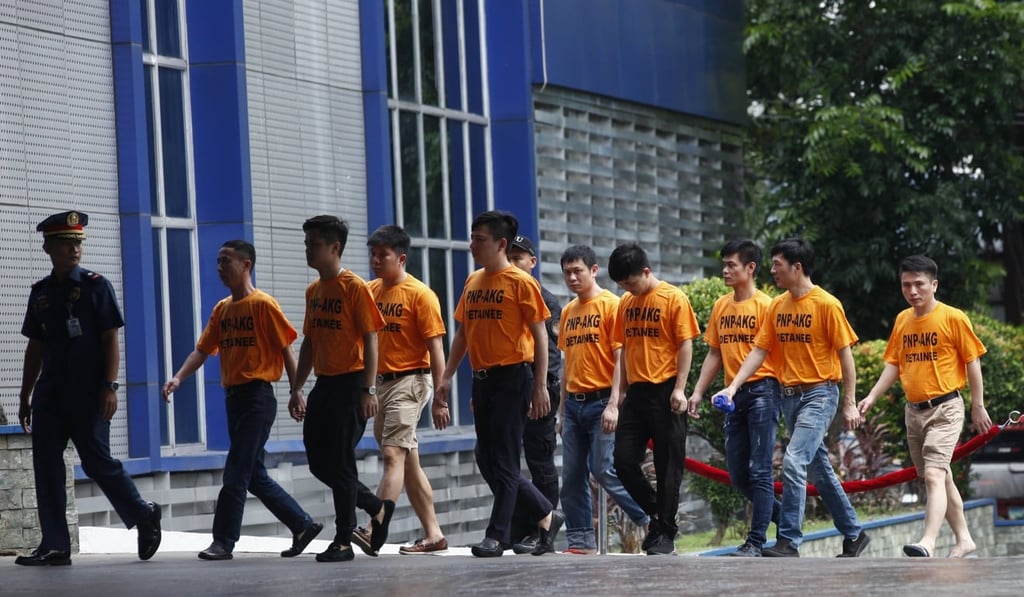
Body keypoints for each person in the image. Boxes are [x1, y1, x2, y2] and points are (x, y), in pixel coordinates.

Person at [16, 211, 162, 567]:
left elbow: (110, 338)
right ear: (48, 246)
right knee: (47, 467)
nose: (74, 249)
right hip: (51, 394)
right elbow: (35, 346)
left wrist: (110, 386)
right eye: (66, 243)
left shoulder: (97, 286)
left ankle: (143, 515)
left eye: (78, 242)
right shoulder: (41, 293)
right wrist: (25, 395)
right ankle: (55, 544)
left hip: (89, 392)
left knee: (97, 462)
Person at [162, 239, 322, 561]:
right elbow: (202, 350)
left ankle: (223, 541)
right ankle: (302, 525)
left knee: (236, 471)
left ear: (246, 265)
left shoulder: (263, 304)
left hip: (258, 397)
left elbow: (286, 350)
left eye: (226, 262)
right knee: (254, 474)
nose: (220, 268)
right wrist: (178, 377)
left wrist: (296, 391)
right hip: (233, 398)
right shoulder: (222, 309)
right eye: (218, 262)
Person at [713, 237, 870, 557]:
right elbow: (760, 350)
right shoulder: (778, 305)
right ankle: (854, 534)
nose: (771, 271)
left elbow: (846, 357)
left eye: (777, 265)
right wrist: (732, 387)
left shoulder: (827, 304)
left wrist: (850, 402)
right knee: (818, 469)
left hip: (820, 394)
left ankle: (788, 541)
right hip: (788, 397)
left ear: (797, 268)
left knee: (794, 460)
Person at [435, 210, 563, 557]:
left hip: (513, 377)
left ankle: (498, 536)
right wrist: (446, 377)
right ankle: (546, 513)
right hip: (484, 379)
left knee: (504, 460)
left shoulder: (521, 283)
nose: (472, 245)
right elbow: (463, 333)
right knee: (486, 456)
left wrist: (539, 387)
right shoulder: (473, 281)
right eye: (472, 237)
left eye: (480, 239)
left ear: (500, 244)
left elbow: (540, 337)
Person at [858, 255, 992, 558]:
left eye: (919, 284)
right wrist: (873, 396)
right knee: (939, 476)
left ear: (934, 284)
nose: (912, 290)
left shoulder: (953, 317)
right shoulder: (903, 319)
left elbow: (972, 361)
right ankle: (965, 539)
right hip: (913, 412)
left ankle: (927, 542)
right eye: (906, 285)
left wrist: (978, 406)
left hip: (945, 408)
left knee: (933, 474)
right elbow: (894, 363)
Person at [288, 215, 391, 562]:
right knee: (319, 461)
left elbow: (371, 339)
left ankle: (344, 539)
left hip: (352, 382)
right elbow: (309, 343)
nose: (308, 249)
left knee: (342, 462)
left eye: (313, 244)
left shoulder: (354, 287)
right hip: (325, 383)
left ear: (335, 248)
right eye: (306, 243)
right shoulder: (314, 291)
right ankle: (377, 507)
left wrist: (368, 390)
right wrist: (296, 387)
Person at [351, 224, 449, 555]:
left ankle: (373, 527)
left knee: (392, 454)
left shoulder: (420, 295)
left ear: (402, 258)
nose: (376, 261)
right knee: (407, 462)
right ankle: (434, 535)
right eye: (373, 255)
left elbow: (436, 349)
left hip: (411, 380)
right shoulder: (369, 291)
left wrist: (440, 398)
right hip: (380, 386)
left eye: (384, 255)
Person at [687, 240, 781, 557]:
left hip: (763, 390)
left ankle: (755, 542)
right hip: (733, 396)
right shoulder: (721, 307)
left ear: (750, 268)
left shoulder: (768, 306)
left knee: (760, 469)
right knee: (739, 475)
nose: (726, 270)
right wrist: (698, 392)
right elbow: (715, 352)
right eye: (724, 265)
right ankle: (785, 519)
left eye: (732, 265)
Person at [607, 242, 700, 555]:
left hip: (666, 390)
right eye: (622, 285)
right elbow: (622, 348)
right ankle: (659, 516)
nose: (627, 289)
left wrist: (680, 389)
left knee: (667, 466)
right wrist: (619, 393)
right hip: (636, 393)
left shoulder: (673, 298)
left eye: (631, 283)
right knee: (622, 460)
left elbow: (685, 345)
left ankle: (665, 532)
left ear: (646, 272)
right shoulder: (626, 303)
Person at [557, 244, 650, 555]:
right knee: (571, 476)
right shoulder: (568, 311)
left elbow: (620, 358)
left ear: (593, 270)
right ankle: (580, 540)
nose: (572, 277)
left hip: (601, 402)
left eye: (577, 271)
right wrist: (560, 412)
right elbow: (567, 363)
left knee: (604, 468)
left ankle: (651, 517)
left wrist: (614, 404)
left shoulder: (613, 305)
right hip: (573, 405)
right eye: (567, 272)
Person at [507, 234, 562, 553]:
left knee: (539, 461)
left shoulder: (545, 299)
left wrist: (542, 391)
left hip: (539, 390)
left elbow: (552, 354)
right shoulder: (505, 294)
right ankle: (518, 527)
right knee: (508, 463)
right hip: (512, 390)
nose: (514, 264)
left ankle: (543, 529)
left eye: (519, 259)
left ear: (532, 262)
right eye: (510, 258)